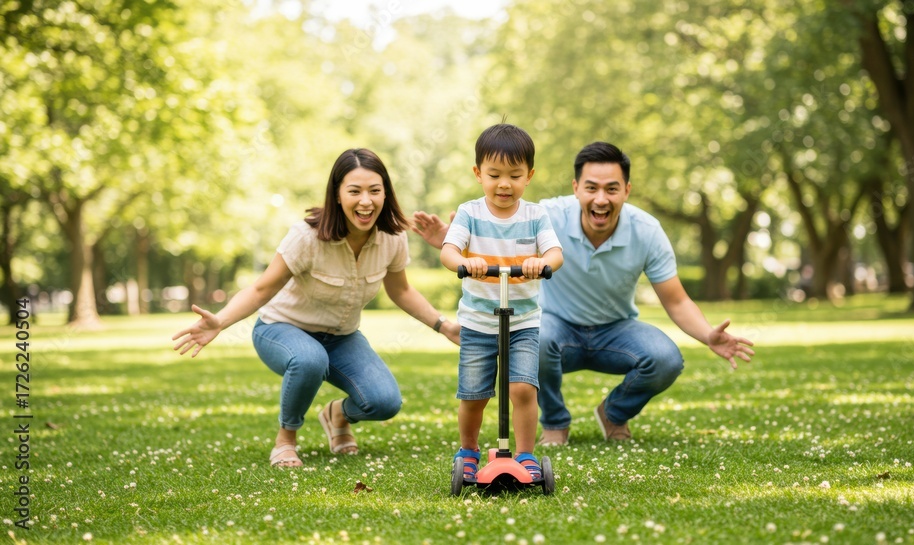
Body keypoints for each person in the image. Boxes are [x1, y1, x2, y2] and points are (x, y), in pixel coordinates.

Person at [414, 141, 754, 446]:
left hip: (616, 330)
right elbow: (500, 223)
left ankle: (613, 413)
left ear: (627, 191)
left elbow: (676, 300)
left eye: (612, 189)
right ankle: (555, 423)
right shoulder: (546, 215)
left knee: (666, 359)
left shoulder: (647, 231)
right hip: (555, 328)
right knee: (534, 335)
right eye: (591, 187)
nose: (600, 199)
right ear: (576, 188)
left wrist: (707, 334)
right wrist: (458, 244)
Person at [172, 148, 461, 468]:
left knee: (384, 402)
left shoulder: (391, 238)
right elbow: (261, 288)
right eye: (355, 191)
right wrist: (221, 321)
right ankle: (285, 440)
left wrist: (444, 325)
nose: (366, 201)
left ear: (385, 194)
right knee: (310, 359)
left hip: (341, 337)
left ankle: (337, 415)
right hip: (281, 329)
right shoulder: (307, 237)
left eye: (374, 191)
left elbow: (401, 290)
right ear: (337, 195)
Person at [440, 123, 564, 481]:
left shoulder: (535, 215)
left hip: (522, 322)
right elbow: (449, 251)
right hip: (478, 322)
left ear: (529, 176)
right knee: (473, 394)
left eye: (515, 175)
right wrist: (466, 262)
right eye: (494, 175)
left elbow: (555, 253)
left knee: (523, 388)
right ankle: (468, 450)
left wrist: (541, 262)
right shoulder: (469, 213)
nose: (504, 184)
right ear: (478, 173)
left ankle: (525, 454)